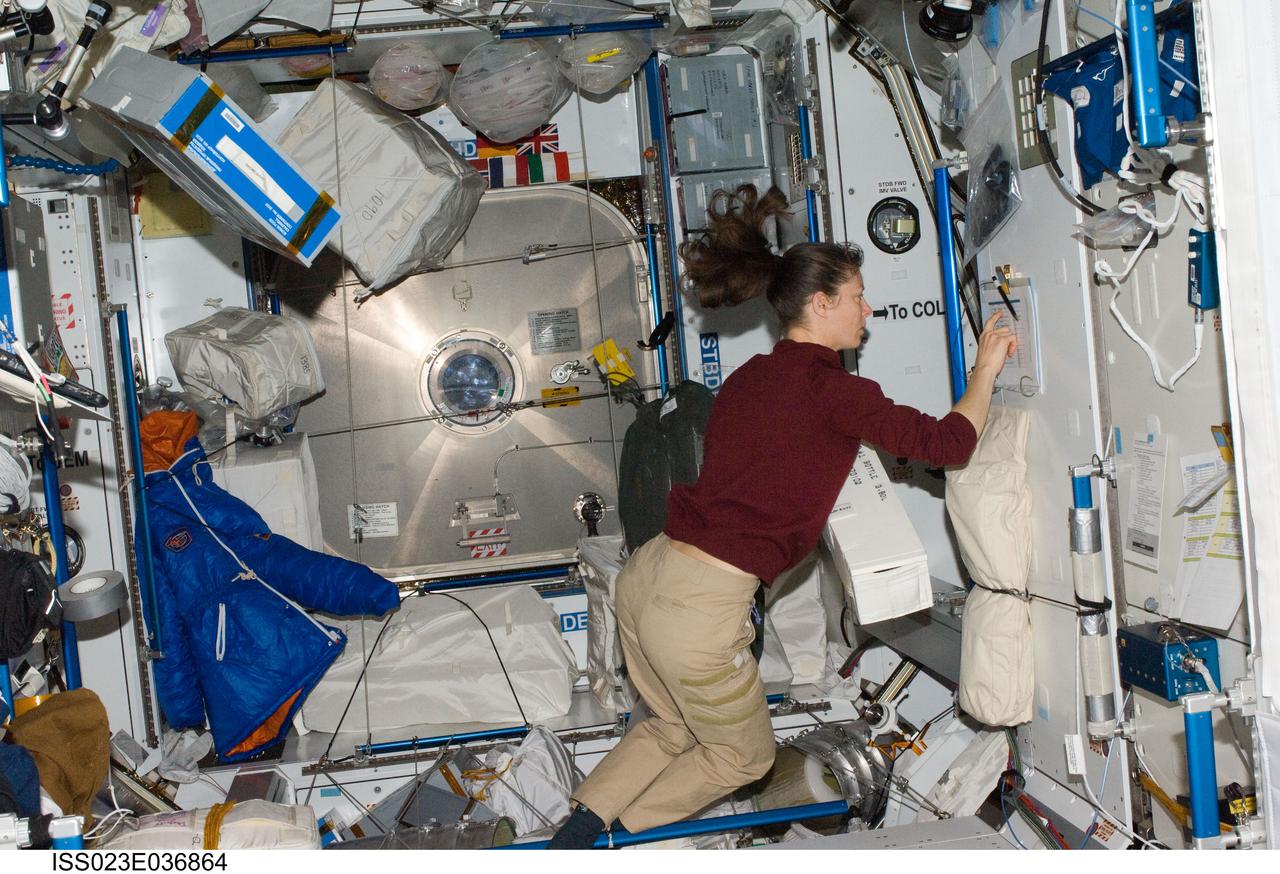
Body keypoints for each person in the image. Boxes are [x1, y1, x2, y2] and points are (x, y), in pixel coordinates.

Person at [548, 185, 1016, 849]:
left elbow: (784, 464)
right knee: (744, 757)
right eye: (857, 296)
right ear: (821, 304)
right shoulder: (834, 389)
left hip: (647, 578)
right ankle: (610, 844)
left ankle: (578, 826)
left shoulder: (748, 379)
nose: (868, 309)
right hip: (700, 607)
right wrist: (986, 369)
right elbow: (948, 444)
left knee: (670, 727)